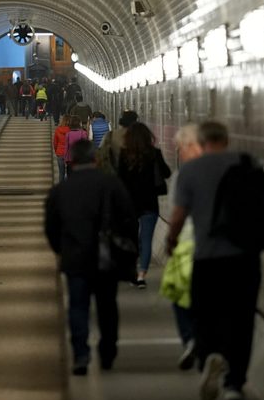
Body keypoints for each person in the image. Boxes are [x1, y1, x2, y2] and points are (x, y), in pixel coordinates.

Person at [166, 121, 262, 400]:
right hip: (245, 257)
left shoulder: (192, 171)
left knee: (205, 312)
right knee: (242, 318)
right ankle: (235, 383)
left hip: (207, 256)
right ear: (227, 139)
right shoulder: (248, 163)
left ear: (202, 141)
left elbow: (179, 215)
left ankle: (211, 354)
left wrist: (171, 241)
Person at [45, 139, 137, 376]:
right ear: (95, 160)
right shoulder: (111, 184)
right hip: (106, 258)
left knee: (78, 306)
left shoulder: (60, 190)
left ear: (71, 161)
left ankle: (81, 355)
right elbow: (128, 218)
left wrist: (61, 249)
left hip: (75, 257)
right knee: (107, 306)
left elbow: (51, 227)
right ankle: (107, 352)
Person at [161, 124, 203, 371]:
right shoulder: (222, 170)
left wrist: (170, 240)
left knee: (178, 293)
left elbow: (175, 212)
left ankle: (191, 339)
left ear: (191, 146)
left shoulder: (183, 175)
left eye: (180, 148)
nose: (178, 153)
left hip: (186, 243)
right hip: (218, 245)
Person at [116, 122, 171, 289]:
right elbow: (167, 173)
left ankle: (132, 272)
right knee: (146, 240)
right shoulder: (154, 153)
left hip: (130, 205)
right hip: (149, 203)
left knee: (132, 239)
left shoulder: (124, 155)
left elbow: (120, 180)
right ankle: (141, 275)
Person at [97, 110, 138, 174]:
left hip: (116, 172)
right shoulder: (140, 135)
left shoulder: (111, 135)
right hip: (137, 172)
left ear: (121, 120)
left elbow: (101, 152)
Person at [52, 114, 71, 182]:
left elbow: (55, 143)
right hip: (69, 154)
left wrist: (56, 151)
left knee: (61, 173)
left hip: (60, 153)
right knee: (70, 173)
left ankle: (61, 188)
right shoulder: (71, 130)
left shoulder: (58, 130)